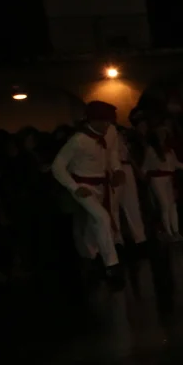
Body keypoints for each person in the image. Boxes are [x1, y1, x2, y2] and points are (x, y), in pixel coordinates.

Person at [50, 101, 126, 285]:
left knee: (93, 225)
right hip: (84, 186)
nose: (106, 125)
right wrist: (74, 187)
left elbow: (112, 153)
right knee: (102, 218)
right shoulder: (78, 140)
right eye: (102, 121)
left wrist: (117, 169)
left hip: (102, 185)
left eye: (108, 121)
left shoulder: (111, 132)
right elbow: (57, 166)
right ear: (91, 120)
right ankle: (112, 265)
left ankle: (91, 259)